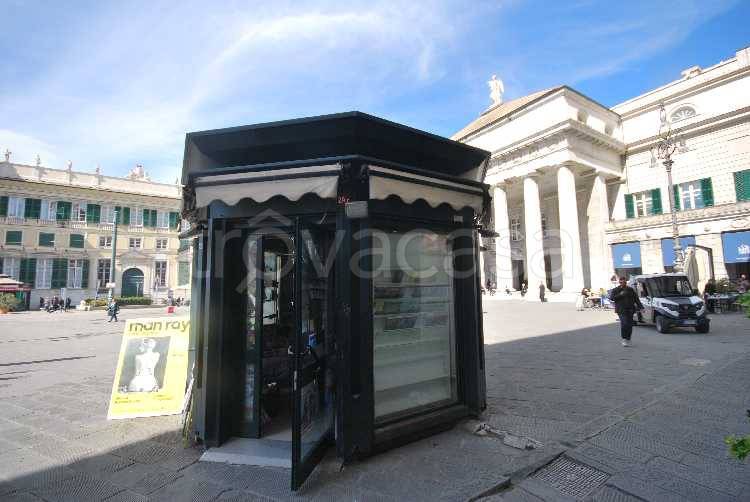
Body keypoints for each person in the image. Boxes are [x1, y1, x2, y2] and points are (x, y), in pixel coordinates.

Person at [609, 277, 643, 347]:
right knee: (624, 324)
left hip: (630, 310)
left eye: (624, 282)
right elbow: (612, 298)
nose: (623, 284)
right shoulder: (616, 290)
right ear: (619, 282)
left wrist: (641, 307)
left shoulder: (630, 289)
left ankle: (628, 338)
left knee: (630, 325)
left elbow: (636, 299)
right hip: (621, 310)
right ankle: (624, 339)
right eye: (621, 282)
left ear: (626, 283)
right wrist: (620, 295)